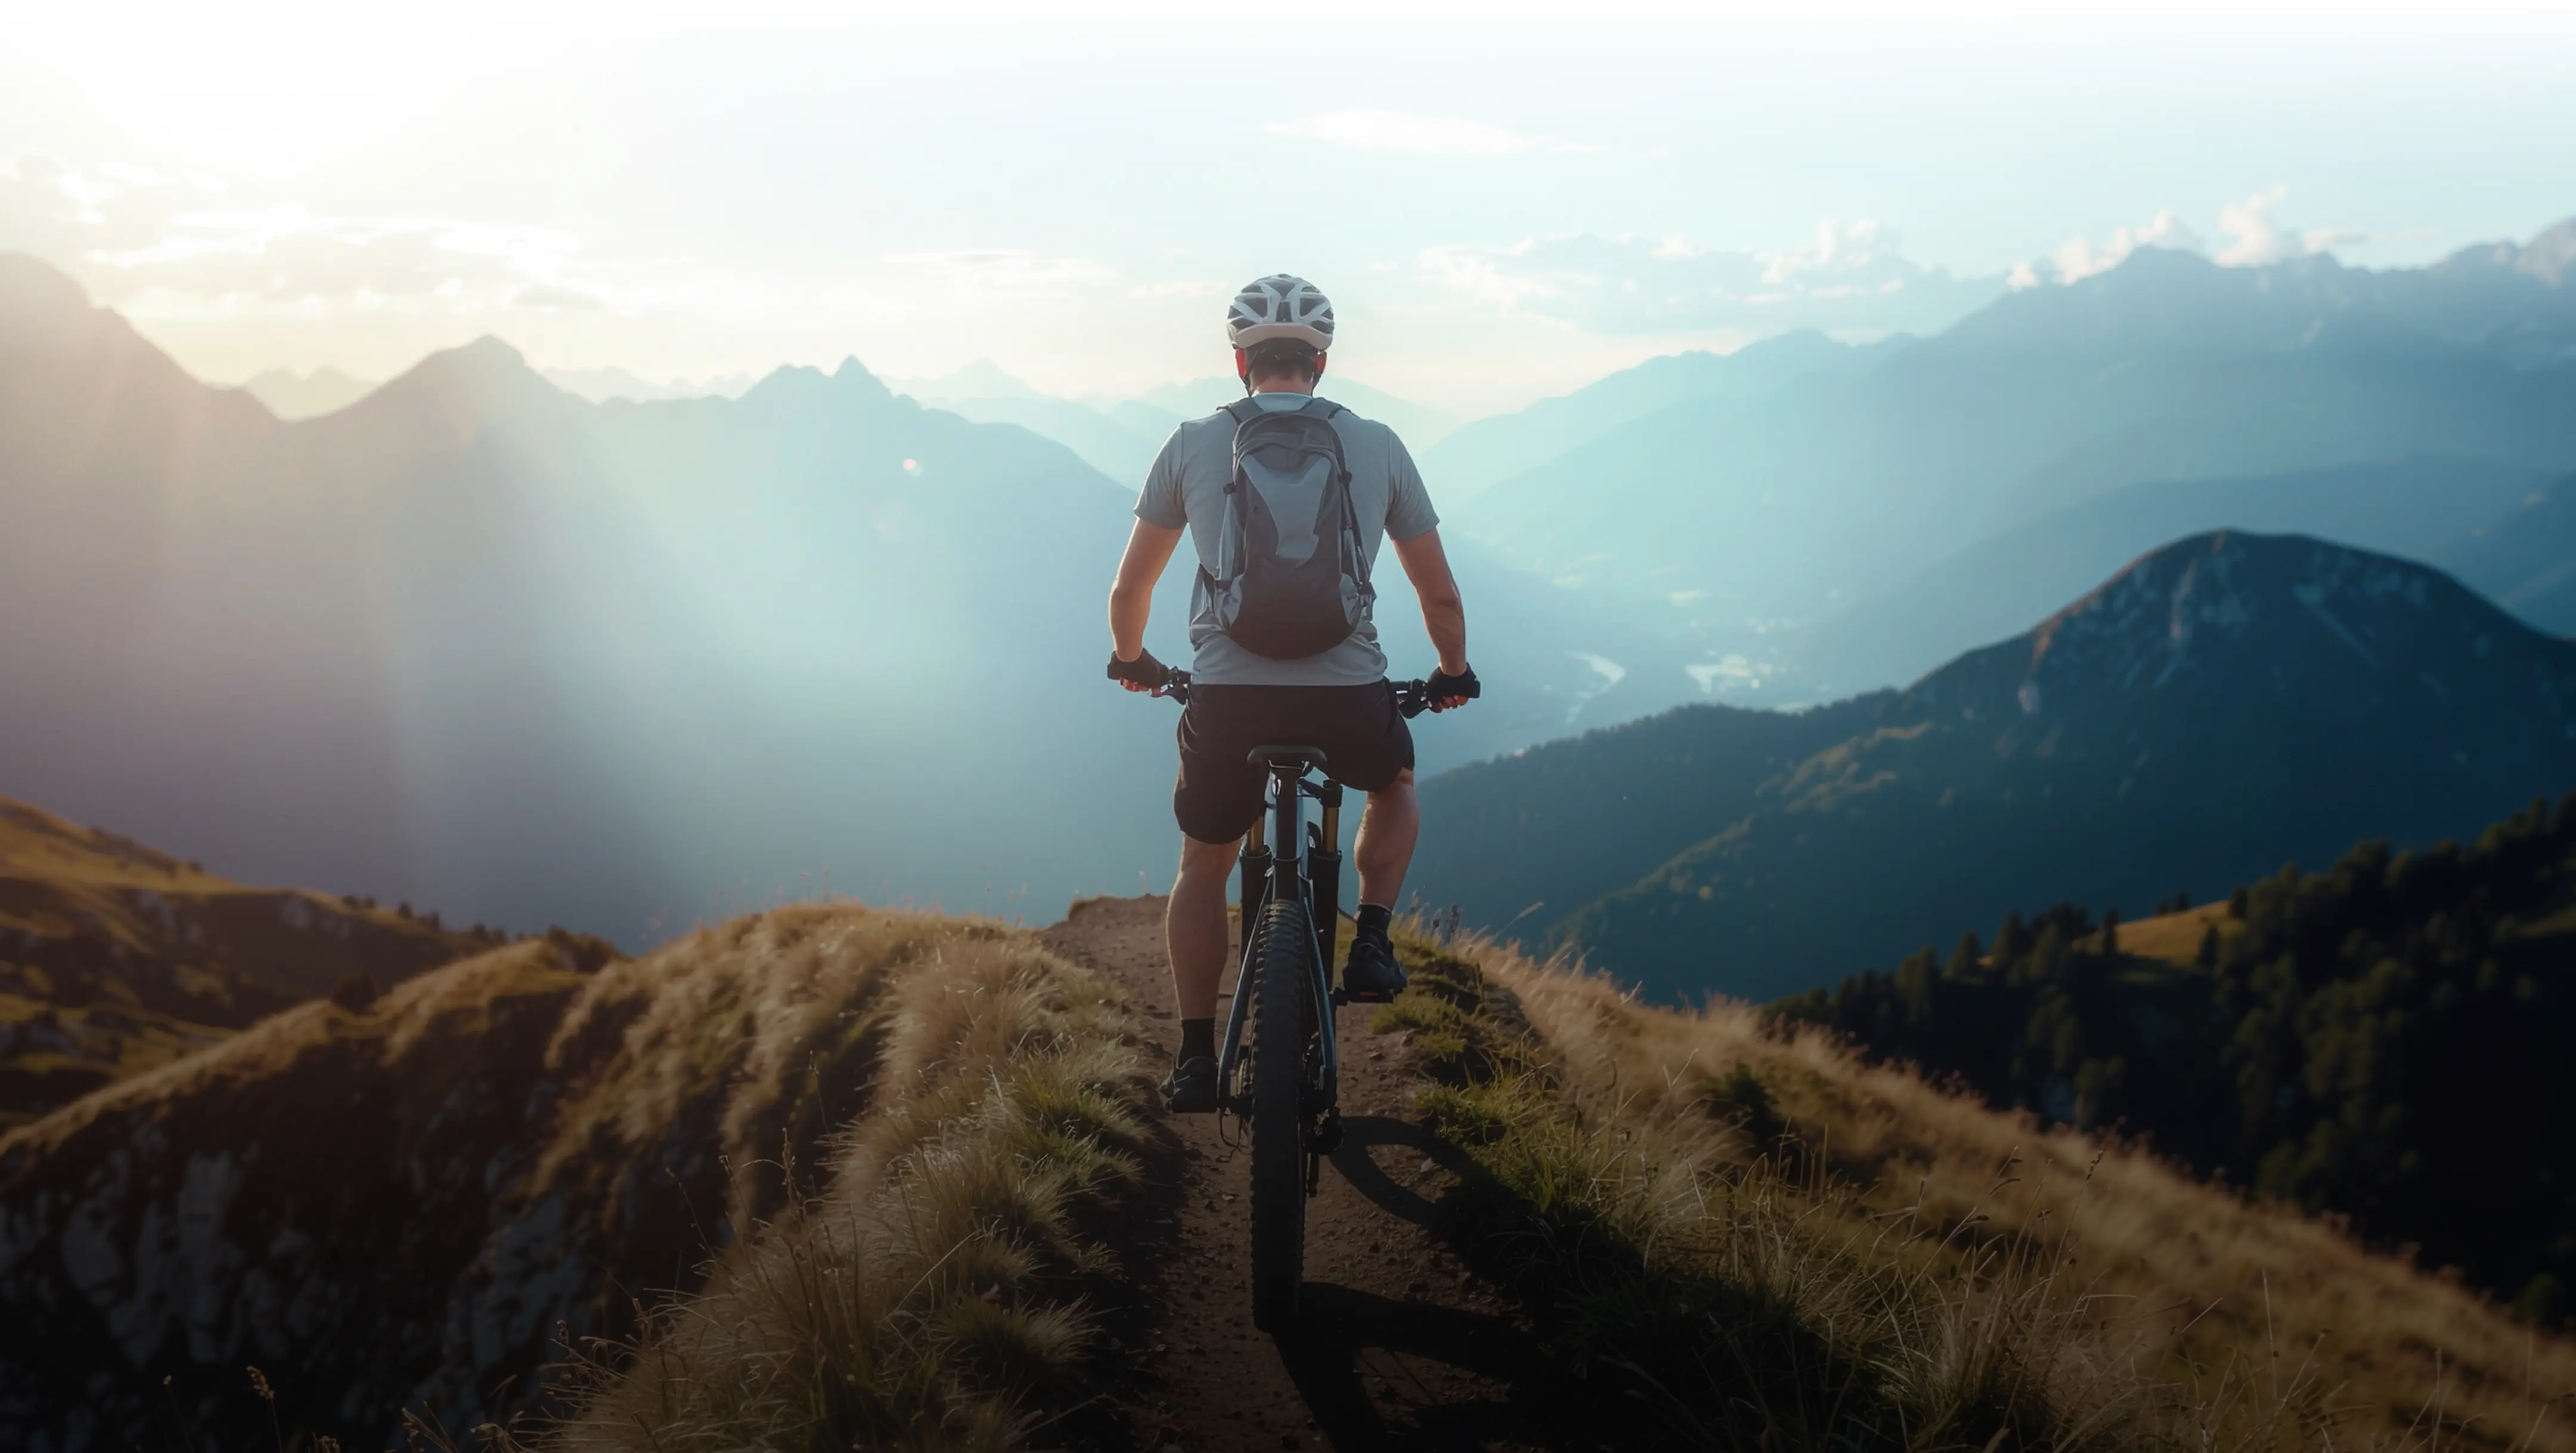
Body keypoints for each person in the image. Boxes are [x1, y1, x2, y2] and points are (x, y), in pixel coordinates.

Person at [1106, 274, 1476, 1114]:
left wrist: (1133, 661)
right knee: (1394, 785)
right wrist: (1453, 673)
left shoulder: (1192, 442)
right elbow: (1440, 596)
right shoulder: (1378, 443)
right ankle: (1372, 941)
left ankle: (1198, 1057)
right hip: (1346, 696)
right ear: (1321, 361)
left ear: (1239, 360)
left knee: (1203, 866)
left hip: (1229, 699)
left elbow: (1129, 591)